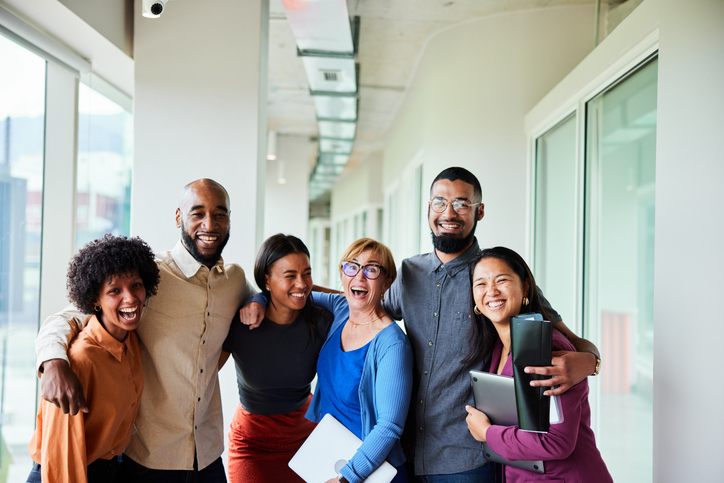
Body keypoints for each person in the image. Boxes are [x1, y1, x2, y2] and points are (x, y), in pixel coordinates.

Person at [381, 167, 602, 481]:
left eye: (461, 203)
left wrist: (589, 363)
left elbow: (569, 341)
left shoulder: (496, 281)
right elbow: (366, 313)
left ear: (479, 211)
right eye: (439, 202)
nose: (449, 213)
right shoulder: (409, 273)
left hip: (469, 457)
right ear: (429, 208)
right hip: (408, 450)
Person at [34, 179, 258, 482]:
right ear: (178, 217)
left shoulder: (233, 281)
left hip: (208, 456)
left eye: (220, 214)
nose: (210, 224)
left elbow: (275, 295)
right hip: (147, 460)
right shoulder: (145, 279)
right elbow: (66, 318)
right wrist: (53, 363)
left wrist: (261, 298)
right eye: (197, 213)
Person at [464, 247, 612, 483]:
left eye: (501, 280)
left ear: (525, 287)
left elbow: (556, 441)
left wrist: (487, 433)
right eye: (480, 284)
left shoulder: (544, 347)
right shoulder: (497, 348)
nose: (491, 291)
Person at [27, 234, 160, 483]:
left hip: (108, 470)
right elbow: (61, 456)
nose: (130, 298)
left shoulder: (131, 339)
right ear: (94, 300)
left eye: (136, 285)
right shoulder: (80, 360)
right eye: (114, 291)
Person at [217, 234, 333, 483]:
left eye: (307, 273)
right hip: (252, 442)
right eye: (290, 276)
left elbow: (354, 301)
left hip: (304, 435)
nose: (301, 283)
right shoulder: (241, 323)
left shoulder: (322, 321)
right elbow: (204, 371)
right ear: (266, 280)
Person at [308, 238, 413, 483]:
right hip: (333, 459)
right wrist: (257, 301)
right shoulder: (342, 309)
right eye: (352, 266)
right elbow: (293, 294)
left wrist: (348, 477)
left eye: (372, 269)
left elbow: (389, 426)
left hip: (370, 471)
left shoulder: (392, 344)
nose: (360, 277)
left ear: (387, 281)